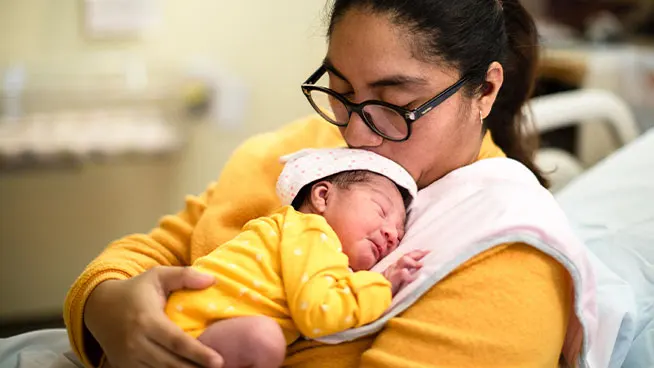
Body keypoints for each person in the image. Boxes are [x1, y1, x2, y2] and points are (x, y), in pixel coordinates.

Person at [64, 0, 578, 367]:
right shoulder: (302, 153)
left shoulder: (506, 251)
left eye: (394, 102)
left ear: (485, 89)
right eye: (341, 91)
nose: (354, 131)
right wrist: (108, 308)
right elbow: (156, 250)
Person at [164, 148, 426, 368]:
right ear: (322, 196)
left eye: (400, 232)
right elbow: (320, 313)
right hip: (188, 335)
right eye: (381, 210)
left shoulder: (289, 232)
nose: (392, 233)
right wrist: (382, 284)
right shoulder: (312, 231)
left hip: (190, 331)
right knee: (262, 339)